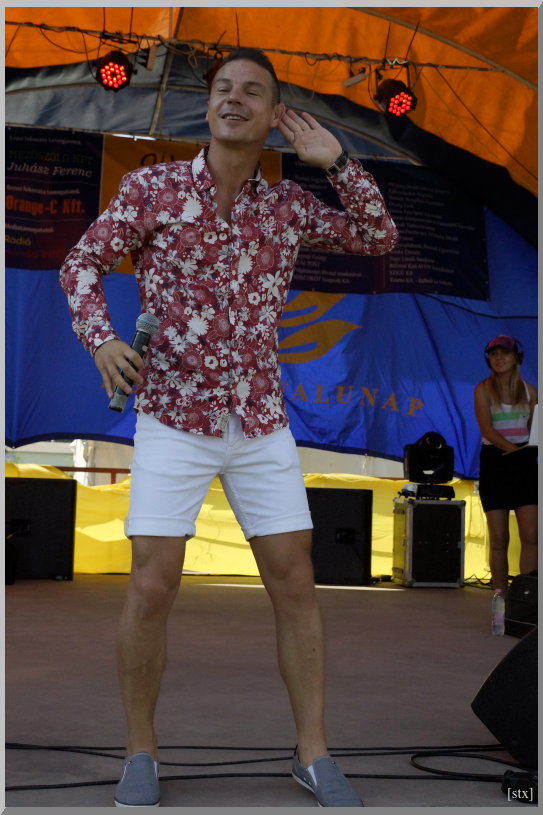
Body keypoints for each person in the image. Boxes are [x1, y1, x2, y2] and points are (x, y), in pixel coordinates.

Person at [60, 47, 398, 807]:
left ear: (274, 114)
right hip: (172, 415)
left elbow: (378, 238)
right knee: (152, 583)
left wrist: (339, 163)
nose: (233, 99)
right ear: (208, 105)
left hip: (259, 418)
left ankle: (312, 753)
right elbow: (79, 265)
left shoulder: (288, 207)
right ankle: (140, 752)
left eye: (252, 91)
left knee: (296, 580)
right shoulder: (151, 188)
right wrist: (101, 339)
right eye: (222, 88)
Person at [473, 334, 538, 624]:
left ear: (516, 358)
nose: (498, 358)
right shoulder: (482, 390)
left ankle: (526, 602)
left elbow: (536, 431)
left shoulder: (531, 391)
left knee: (531, 535)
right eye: (493, 354)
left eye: (505, 353)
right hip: (496, 464)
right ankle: (499, 606)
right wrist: (515, 451)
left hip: (524, 465)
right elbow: (487, 430)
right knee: (499, 538)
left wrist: (529, 450)